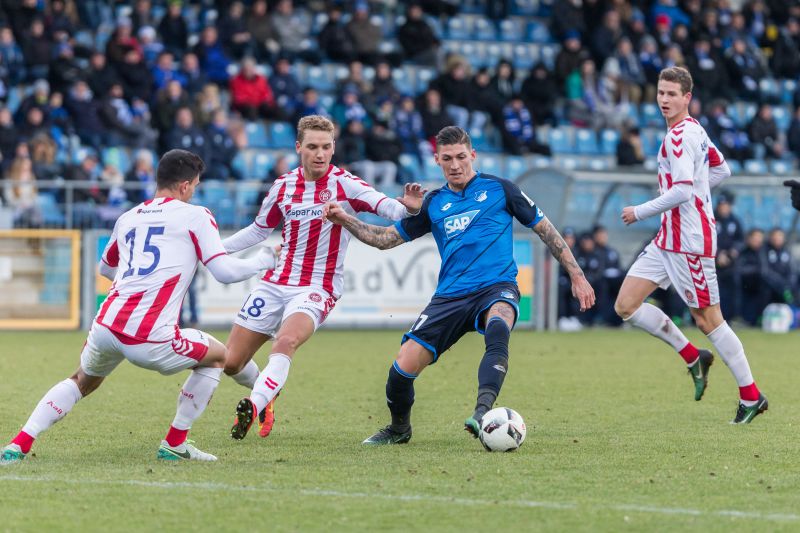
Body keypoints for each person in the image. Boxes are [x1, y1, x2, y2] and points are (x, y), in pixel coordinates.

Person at [0, 150, 279, 466]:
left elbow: (105, 268)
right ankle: (176, 443)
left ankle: (18, 444)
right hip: (149, 336)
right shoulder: (196, 215)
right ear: (186, 186)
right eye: (196, 185)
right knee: (218, 356)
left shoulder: (128, 217)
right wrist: (263, 260)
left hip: (106, 325)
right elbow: (225, 272)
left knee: (81, 381)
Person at [323, 126, 595, 445]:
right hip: (450, 297)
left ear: (473, 155)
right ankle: (399, 429)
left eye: (461, 157)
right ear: (437, 161)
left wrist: (576, 275)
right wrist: (346, 220)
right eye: (447, 158)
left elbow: (545, 229)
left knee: (499, 325)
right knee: (401, 370)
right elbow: (385, 240)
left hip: (496, 286)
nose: (455, 165)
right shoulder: (435, 203)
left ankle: (482, 413)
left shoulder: (501, 189)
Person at [223, 115, 425, 440]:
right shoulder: (283, 185)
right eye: (313, 147)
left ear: (333, 148)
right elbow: (259, 230)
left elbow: (386, 206)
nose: (320, 154)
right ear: (298, 147)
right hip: (276, 283)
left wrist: (410, 208)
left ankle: (254, 401)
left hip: (318, 286)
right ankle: (266, 391)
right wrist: (214, 251)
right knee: (231, 363)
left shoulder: (345, 183)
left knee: (286, 341)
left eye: (326, 147)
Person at [616, 67, 767, 424]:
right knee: (626, 305)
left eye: (672, 94)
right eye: (660, 93)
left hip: (688, 242)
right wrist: (697, 192)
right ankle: (693, 356)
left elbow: (684, 190)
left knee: (709, 319)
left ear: (688, 97)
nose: (664, 100)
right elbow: (721, 170)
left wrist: (639, 211)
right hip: (668, 238)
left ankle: (751, 396)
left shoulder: (681, 136)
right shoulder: (694, 130)